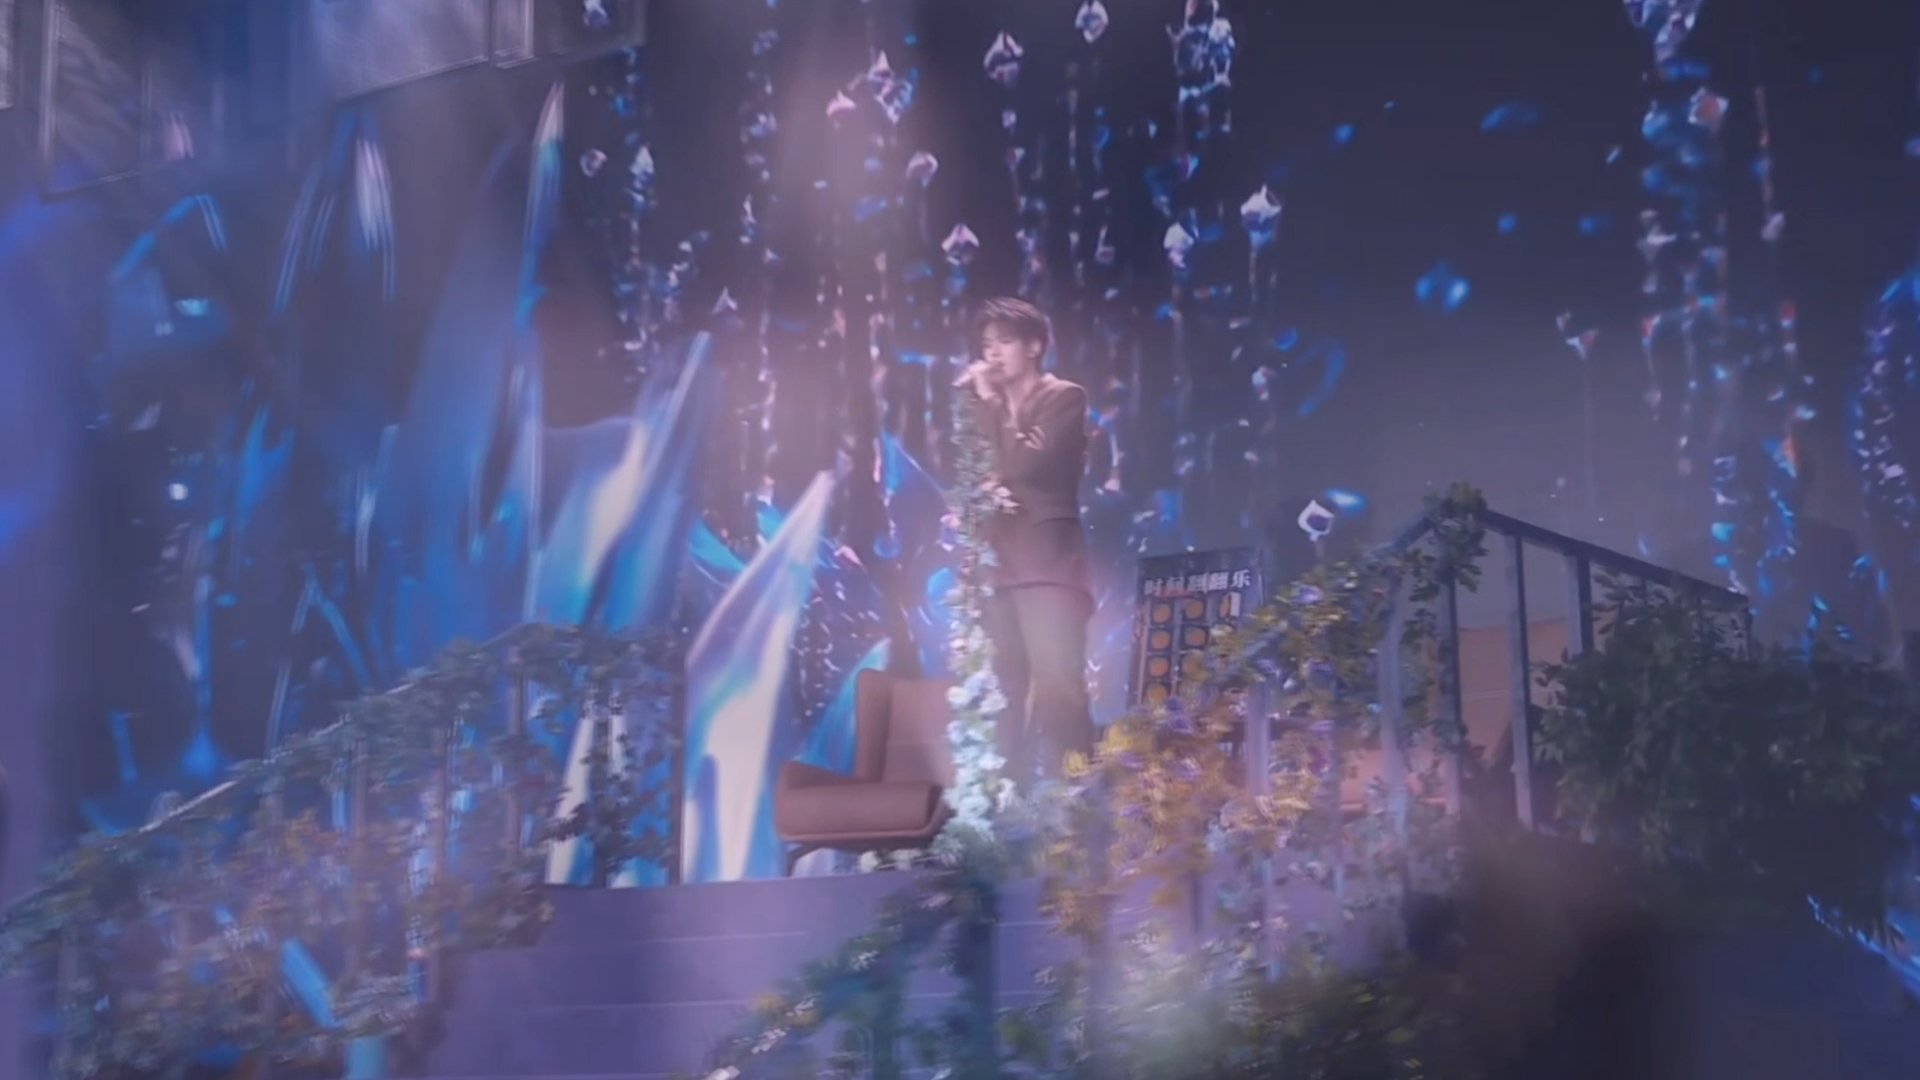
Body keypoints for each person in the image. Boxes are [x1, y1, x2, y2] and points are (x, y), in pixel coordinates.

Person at [956, 297, 1095, 784]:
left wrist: (992, 404)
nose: (992, 354)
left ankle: (1078, 800)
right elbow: (974, 473)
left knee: (1058, 690)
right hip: (999, 566)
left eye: (1005, 342)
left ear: (1035, 346)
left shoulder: (1064, 398)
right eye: (986, 345)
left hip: (1049, 566)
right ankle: (1007, 806)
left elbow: (1026, 465)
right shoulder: (982, 407)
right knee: (1002, 695)